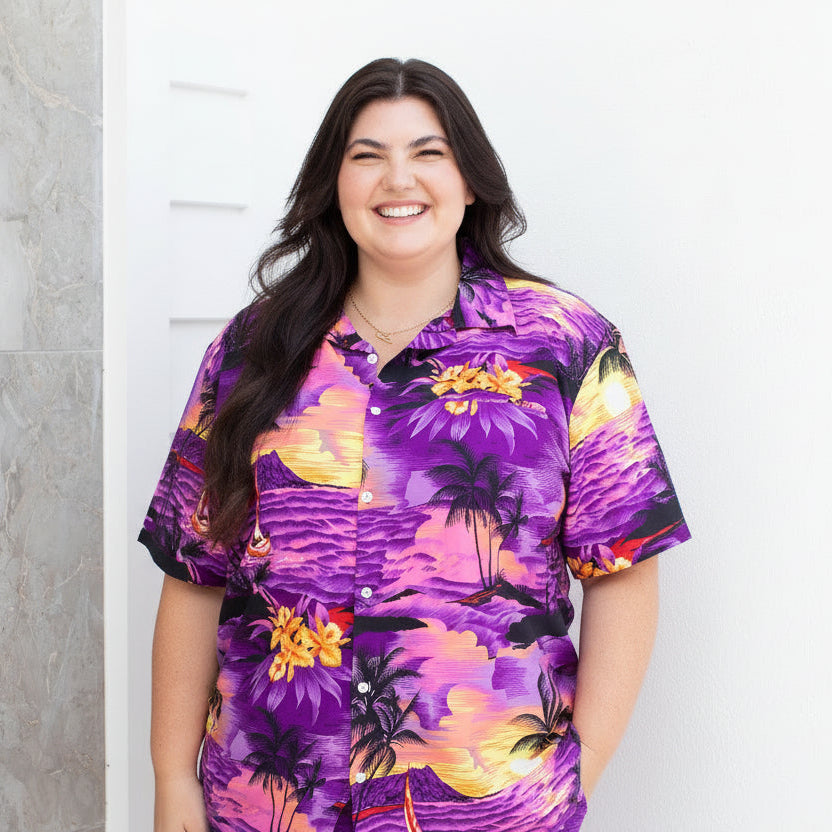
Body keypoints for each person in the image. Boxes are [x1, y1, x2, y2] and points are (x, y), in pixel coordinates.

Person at [140, 58, 691, 832]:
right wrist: (172, 783)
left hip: (492, 811)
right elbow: (192, 572)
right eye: (367, 155)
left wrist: (578, 769)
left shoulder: (566, 348)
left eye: (428, 153)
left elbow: (624, 567)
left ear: (471, 183)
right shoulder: (253, 350)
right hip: (266, 809)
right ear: (335, 185)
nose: (398, 178)